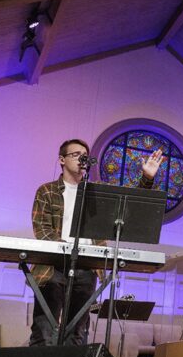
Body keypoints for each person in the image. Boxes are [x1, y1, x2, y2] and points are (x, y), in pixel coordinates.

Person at [29, 138, 163, 346]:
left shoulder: (96, 191)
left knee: (78, 334)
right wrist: (65, 249)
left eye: (85, 155)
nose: (82, 159)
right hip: (52, 266)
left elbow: (128, 203)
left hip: (88, 267)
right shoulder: (46, 191)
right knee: (44, 331)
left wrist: (146, 177)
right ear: (61, 160)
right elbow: (42, 229)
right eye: (76, 155)